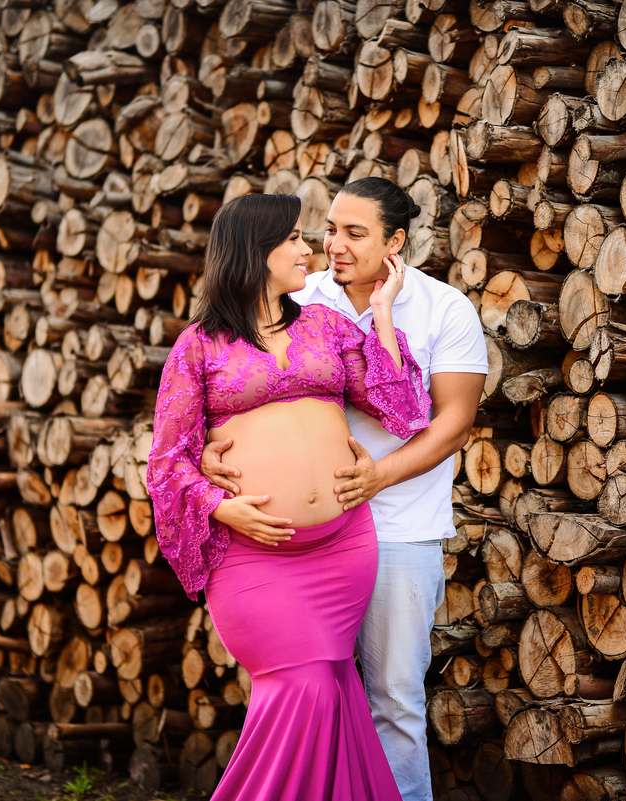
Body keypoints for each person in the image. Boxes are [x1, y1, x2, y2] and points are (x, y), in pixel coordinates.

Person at [203, 178, 488, 801]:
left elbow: (448, 421)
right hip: (297, 539)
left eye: (354, 234)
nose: (332, 245)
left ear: (396, 242)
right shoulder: (302, 295)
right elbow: (229, 380)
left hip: (399, 527)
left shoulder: (445, 309)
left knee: (391, 699)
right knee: (305, 694)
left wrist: (379, 476)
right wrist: (211, 444)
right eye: (329, 228)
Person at [146, 193, 431, 801]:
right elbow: (167, 463)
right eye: (295, 239)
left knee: (333, 689)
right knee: (301, 688)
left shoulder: (326, 327)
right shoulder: (197, 346)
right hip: (253, 556)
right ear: (255, 251)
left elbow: (402, 409)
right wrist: (219, 505)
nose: (311, 250)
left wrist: (381, 315)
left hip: (343, 547)